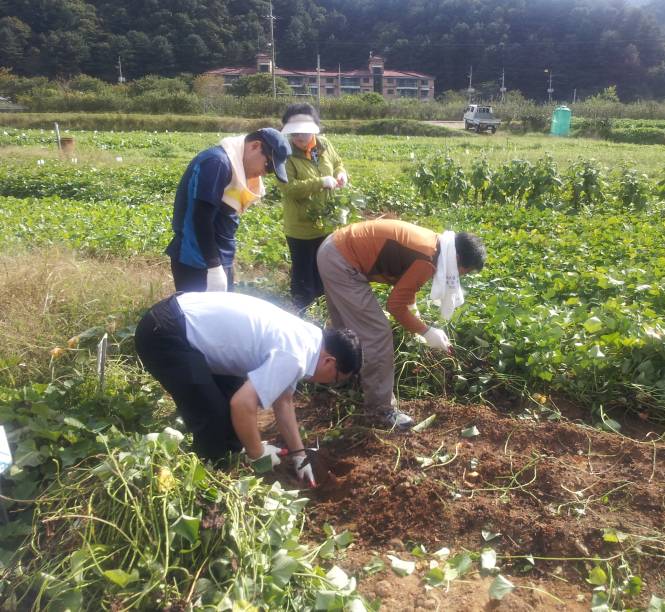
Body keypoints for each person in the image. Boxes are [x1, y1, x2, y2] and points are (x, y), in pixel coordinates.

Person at [134, 291, 362, 487]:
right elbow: (242, 404)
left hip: (180, 322)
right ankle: (206, 485)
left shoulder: (308, 339)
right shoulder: (294, 355)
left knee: (229, 420)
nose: (329, 383)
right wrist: (257, 454)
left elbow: (284, 402)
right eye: (334, 379)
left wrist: (299, 456)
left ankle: (228, 459)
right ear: (329, 362)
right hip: (165, 333)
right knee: (213, 419)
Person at [316, 219, 486, 430]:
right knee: (377, 335)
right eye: (465, 272)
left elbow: (405, 282)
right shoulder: (427, 258)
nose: (461, 277)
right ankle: (380, 411)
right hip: (341, 260)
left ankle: (335, 375)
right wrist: (426, 331)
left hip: (334, 249)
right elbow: (395, 306)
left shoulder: (436, 245)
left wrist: (415, 316)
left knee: (347, 329)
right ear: (458, 259)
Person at [165, 128, 291, 292]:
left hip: (216, 260)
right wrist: (214, 267)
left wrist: (224, 264)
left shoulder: (233, 167)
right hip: (197, 261)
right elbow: (201, 218)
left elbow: (223, 220)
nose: (266, 173)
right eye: (268, 166)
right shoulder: (217, 163)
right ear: (255, 146)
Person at [278, 103, 348, 311]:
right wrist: (320, 182)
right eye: (295, 133)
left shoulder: (324, 144)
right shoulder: (284, 154)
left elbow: (337, 163)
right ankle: (302, 312)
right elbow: (288, 188)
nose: (300, 137)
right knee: (303, 274)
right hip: (300, 226)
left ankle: (321, 310)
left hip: (326, 222)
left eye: (305, 132)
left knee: (323, 269)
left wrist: (340, 173)